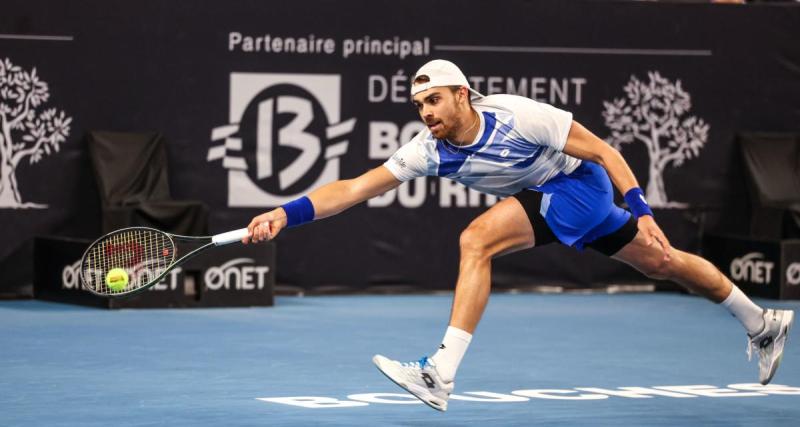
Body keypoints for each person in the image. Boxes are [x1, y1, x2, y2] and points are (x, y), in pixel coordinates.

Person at [243, 59, 794, 412]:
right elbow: (356, 187)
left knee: (476, 240)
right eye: (417, 105)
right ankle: (763, 323)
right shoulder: (428, 150)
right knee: (662, 263)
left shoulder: (517, 115)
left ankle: (440, 374)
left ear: (462, 94)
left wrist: (642, 208)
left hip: (581, 185)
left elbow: (603, 151)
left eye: (433, 100)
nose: (425, 112)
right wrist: (285, 215)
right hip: (564, 203)